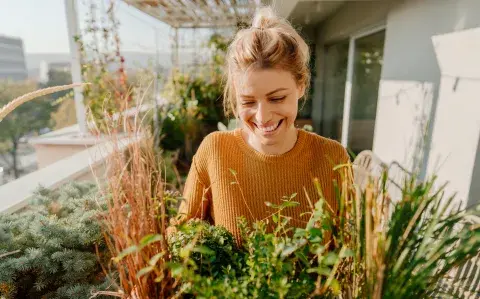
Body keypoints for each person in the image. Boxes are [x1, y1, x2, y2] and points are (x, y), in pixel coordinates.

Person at [170, 7, 349, 244]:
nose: (263, 116)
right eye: (248, 101)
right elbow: (180, 234)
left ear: (301, 85)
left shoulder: (332, 158)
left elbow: (351, 247)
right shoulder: (214, 151)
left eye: (277, 98)